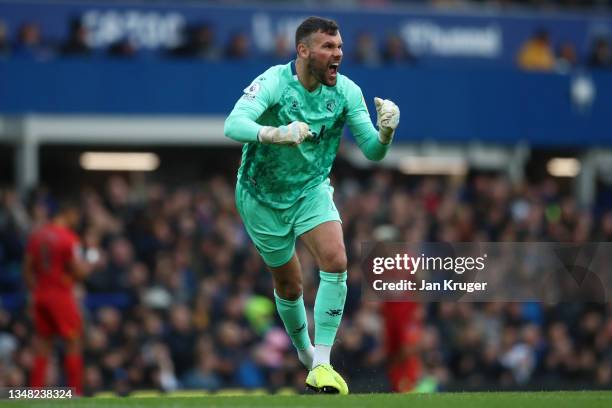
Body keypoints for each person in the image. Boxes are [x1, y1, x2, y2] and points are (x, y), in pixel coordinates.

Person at [224, 16, 400, 394]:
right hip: (261, 196)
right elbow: (233, 124)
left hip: (310, 191)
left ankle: (322, 362)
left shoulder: (346, 92)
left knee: (336, 259)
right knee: (289, 284)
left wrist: (385, 133)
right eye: (328, 47)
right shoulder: (273, 82)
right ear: (303, 51)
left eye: (339, 47)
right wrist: (274, 133)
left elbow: (372, 151)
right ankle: (305, 353)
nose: (337, 54)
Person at [24, 198, 92, 395]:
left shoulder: (37, 236)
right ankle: (75, 392)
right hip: (61, 295)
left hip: (40, 295)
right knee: (73, 341)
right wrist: (89, 267)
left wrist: (36, 290)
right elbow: (79, 272)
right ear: (69, 213)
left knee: (43, 343)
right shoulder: (69, 238)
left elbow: (27, 269)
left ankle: (34, 393)